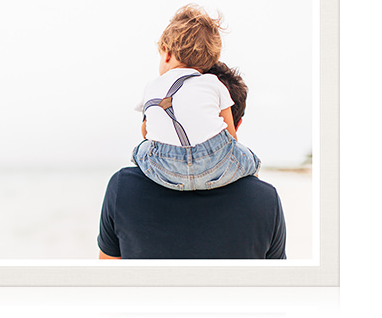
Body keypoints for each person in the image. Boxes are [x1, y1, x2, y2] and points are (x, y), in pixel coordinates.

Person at [97, 61, 287, 259]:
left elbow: (108, 281)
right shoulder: (266, 201)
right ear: (236, 124)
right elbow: (277, 286)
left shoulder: (123, 189)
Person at [132, 4, 260, 192]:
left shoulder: (151, 87)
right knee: (251, 160)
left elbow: (146, 132)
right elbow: (230, 136)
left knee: (140, 150)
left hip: (165, 169)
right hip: (213, 164)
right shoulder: (214, 83)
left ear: (166, 53)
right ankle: (251, 189)